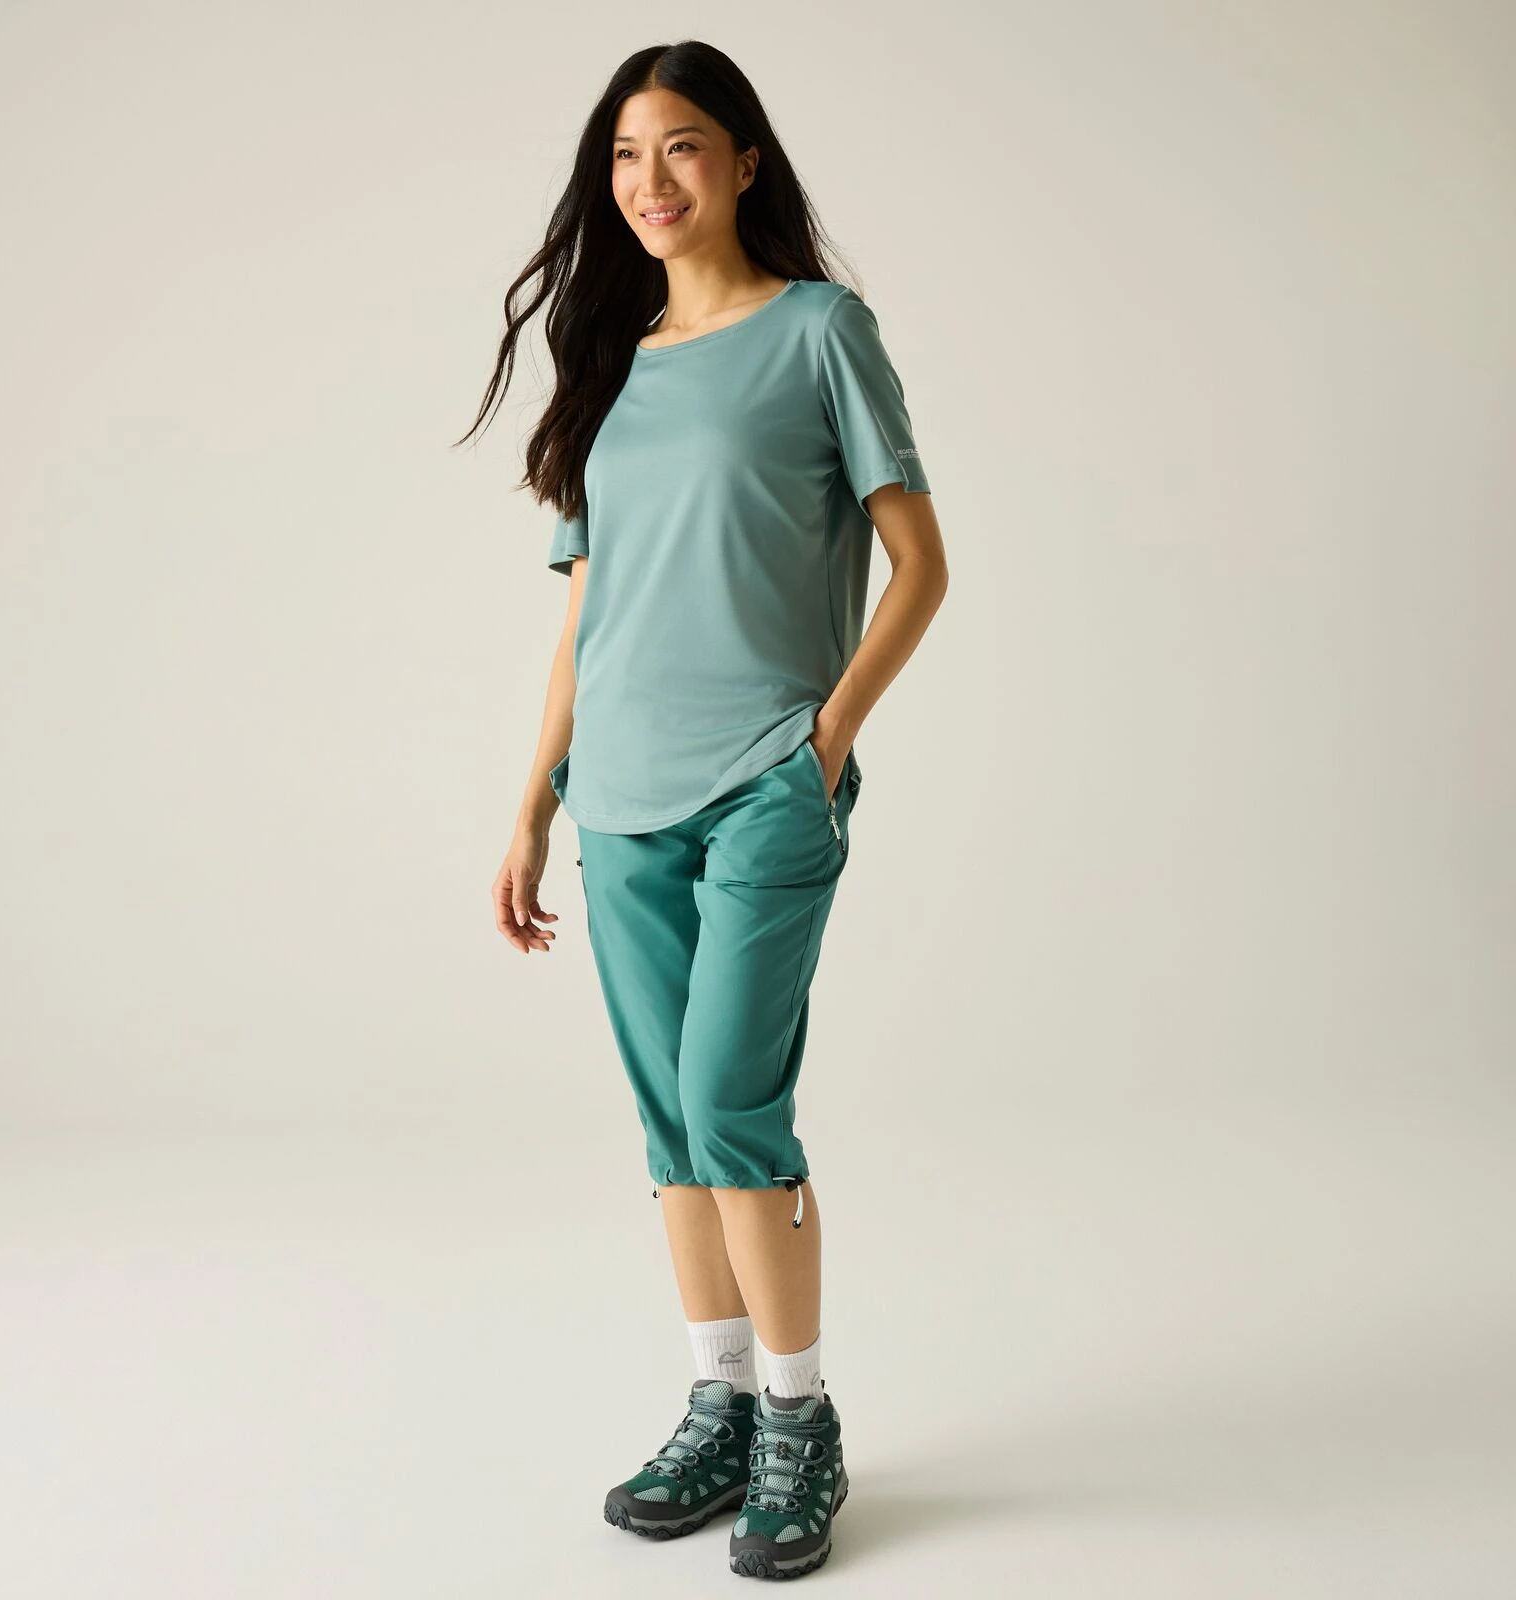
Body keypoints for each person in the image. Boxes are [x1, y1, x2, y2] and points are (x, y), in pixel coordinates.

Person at [467, 40, 947, 1581]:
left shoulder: (821, 332)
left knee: (733, 1103)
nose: (650, 180)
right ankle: (719, 1403)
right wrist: (533, 805)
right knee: (673, 1124)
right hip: (618, 799)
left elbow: (922, 564)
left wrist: (826, 742)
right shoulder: (611, 370)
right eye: (624, 156)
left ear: (743, 161)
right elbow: (585, 612)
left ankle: (800, 1422)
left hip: (764, 787)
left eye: (681, 146)